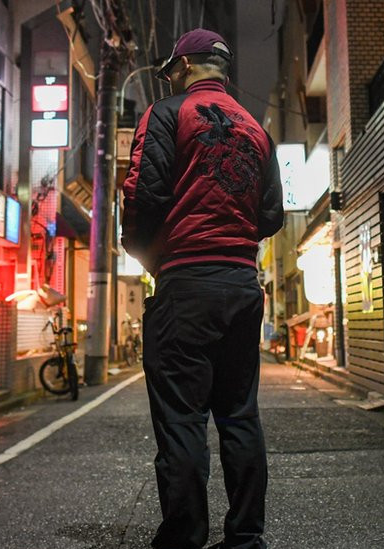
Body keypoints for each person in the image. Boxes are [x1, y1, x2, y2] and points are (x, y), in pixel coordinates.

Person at [120, 28, 284, 549]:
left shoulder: (168, 115)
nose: (170, 78)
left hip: (186, 281)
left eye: (172, 71)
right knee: (239, 414)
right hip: (241, 283)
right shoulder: (257, 129)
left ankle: (185, 538)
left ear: (186, 67)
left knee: (182, 418)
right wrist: (233, 242)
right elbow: (272, 215)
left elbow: (144, 195)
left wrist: (146, 253)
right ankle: (245, 538)